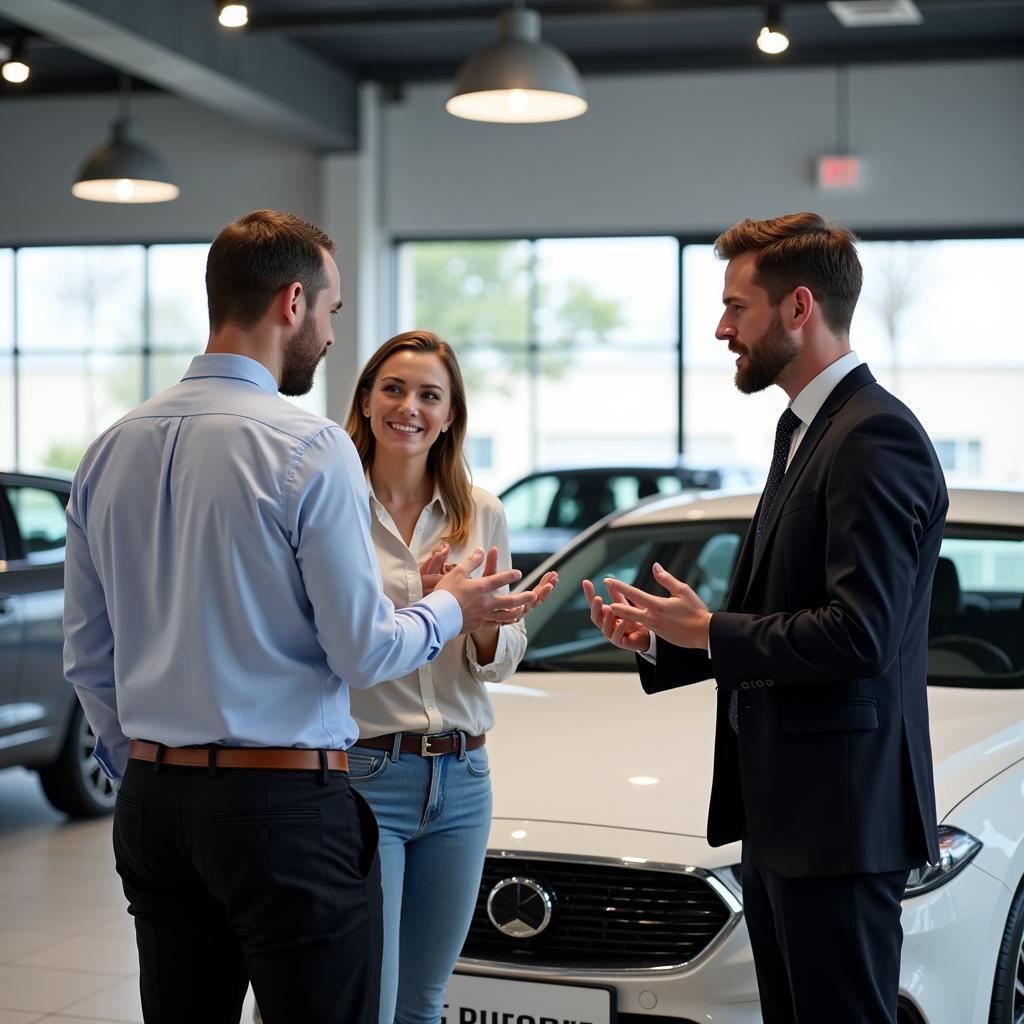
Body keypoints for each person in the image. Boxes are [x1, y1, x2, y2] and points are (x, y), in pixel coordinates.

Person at [62, 210, 538, 1024]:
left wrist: (146, 762)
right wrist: (446, 608)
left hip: (150, 806)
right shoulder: (308, 447)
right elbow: (360, 651)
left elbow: (87, 657)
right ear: (292, 302)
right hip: (281, 805)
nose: (327, 331)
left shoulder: (110, 445)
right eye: (331, 311)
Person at [583, 212, 948, 1024]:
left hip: (840, 826)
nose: (720, 329)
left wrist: (710, 632)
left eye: (735, 307)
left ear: (797, 309)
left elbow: (860, 633)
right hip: (791, 819)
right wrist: (668, 642)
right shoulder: (806, 431)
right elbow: (785, 615)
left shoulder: (872, 434)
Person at [341, 329, 557, 1024]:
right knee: (367, 997)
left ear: (451, 413)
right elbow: (329, 641)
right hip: (365, 773)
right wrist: (426, 606)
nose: (410, 407)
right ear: (367, 401)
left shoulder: (480, 511)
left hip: (462, 782)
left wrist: (484, 620)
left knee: (424, 1000)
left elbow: (499, 655)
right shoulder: (331, 506)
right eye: (394, 389)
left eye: (429, 395)